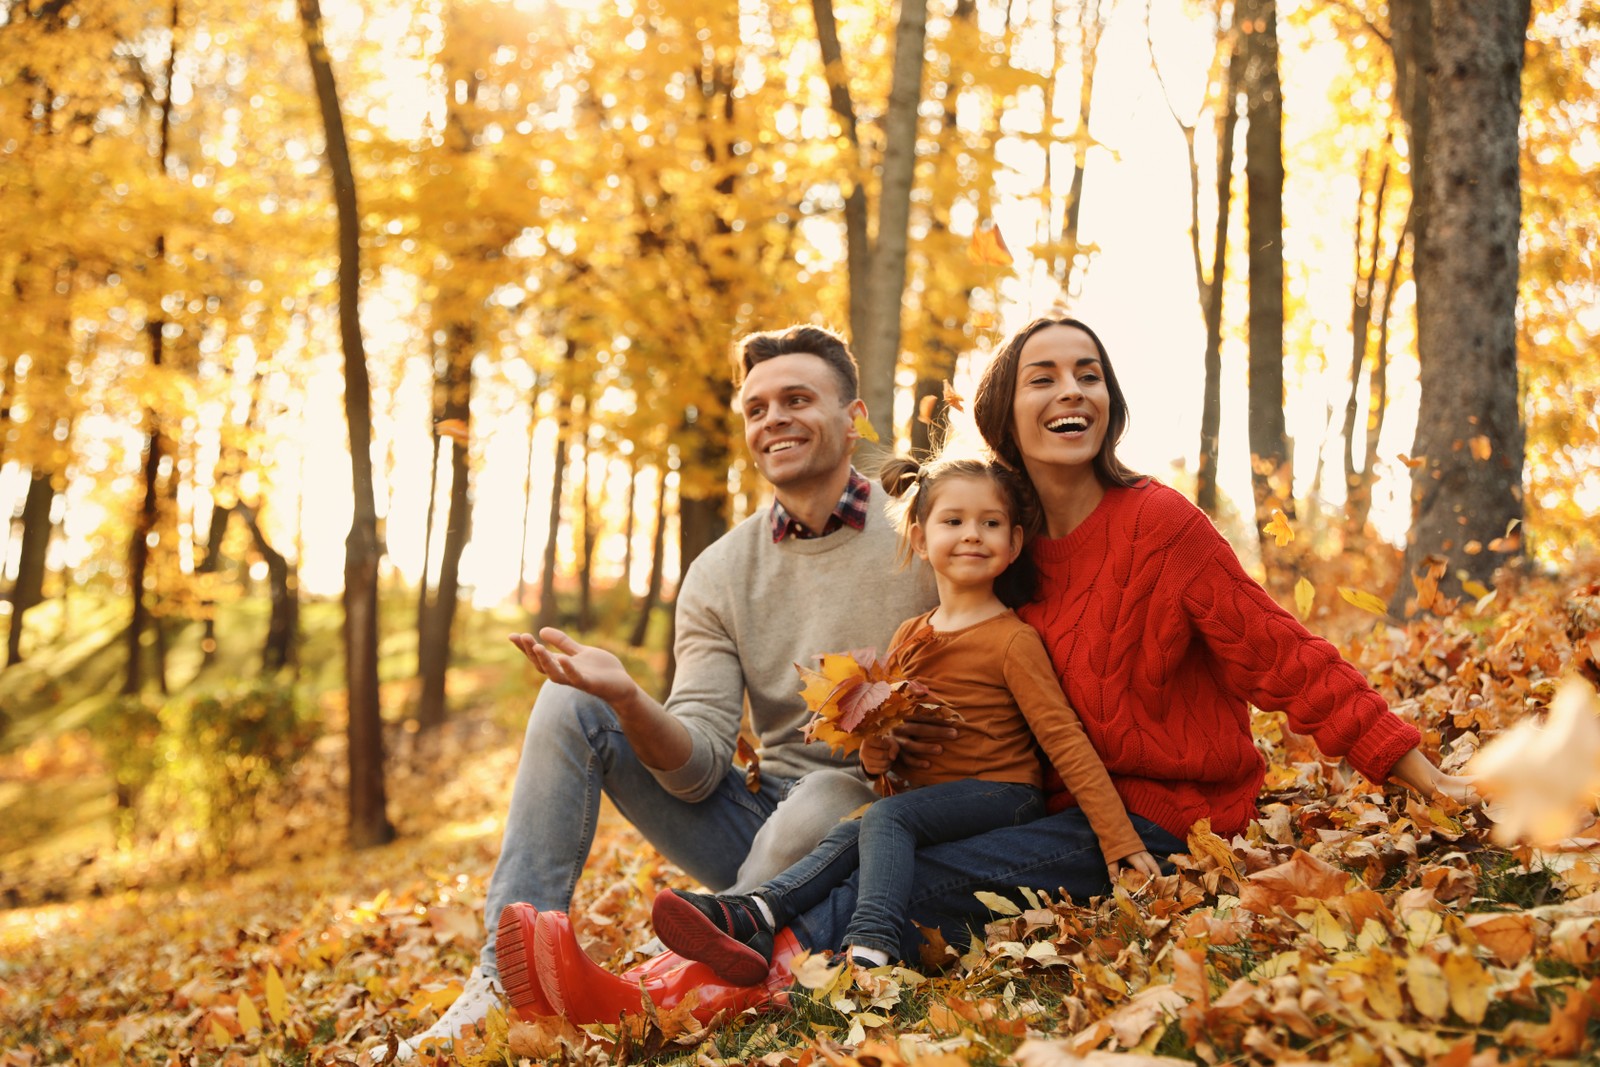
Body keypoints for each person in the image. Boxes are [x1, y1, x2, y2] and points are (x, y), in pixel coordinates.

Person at [503, 314, 1479, 1025]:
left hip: (1157, 821)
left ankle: (639, 1000)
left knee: (869, 881)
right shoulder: (1001, 556)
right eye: (1043, 376)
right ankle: (651, 969)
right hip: (1040, 813)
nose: (1070, 392)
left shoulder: (1160, 527)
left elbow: (1287, 660)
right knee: (873, 851)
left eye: (1087, 373)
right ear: (1004, 415)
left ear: (1110, 399)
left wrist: (1419, 769)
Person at [390, 324, 937, 1058]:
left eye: (798, 399)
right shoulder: (719, 570)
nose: (772, 418)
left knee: (822, 796)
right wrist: (626, 699)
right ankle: (500, 977)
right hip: (758, 823)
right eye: (756, 408)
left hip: (877, 816)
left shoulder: (923, 530)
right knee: (568, 703)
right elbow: (701, 768)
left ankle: (693, 958)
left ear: (854, 416)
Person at [647, 454, 1161, 983]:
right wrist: (877, 754)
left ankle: (872, 942)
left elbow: (1064, 740)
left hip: (1004, 797)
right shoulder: (910, 634)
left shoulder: (1012, 640)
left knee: (885, 819)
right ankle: (753, 913)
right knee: (853, 832)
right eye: (953, 521)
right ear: (919, 539)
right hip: (931, 807)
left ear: (1013, 543)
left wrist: (1118, 839)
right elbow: (885, 753)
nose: (972, 535)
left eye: (990, 523)